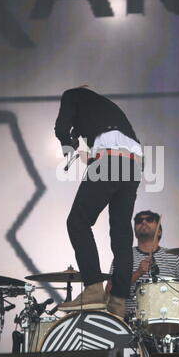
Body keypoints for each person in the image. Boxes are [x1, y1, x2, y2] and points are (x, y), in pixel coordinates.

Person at [54, 87, 142, 319]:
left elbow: (61, 127)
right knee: (122, 235)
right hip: (134, 164)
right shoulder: (106, 107)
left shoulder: (72, 94)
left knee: (78, 222)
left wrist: (67, 144)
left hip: (110, 159)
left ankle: (93, 291)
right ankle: (119, 302)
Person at [106, 210, 179, 352]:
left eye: (149, 219)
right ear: (134, 230)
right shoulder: (123, 257)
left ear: (159, 232)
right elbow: (109, 291)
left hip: (172, 322)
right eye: (139, 220)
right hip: (133, 322)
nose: (143, 222)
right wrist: (138, 273)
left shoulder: (175, 258)